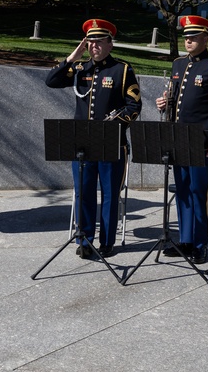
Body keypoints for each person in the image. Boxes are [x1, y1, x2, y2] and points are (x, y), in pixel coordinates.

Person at [45, 19, 142, 257]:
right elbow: (51, 81)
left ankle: (107, 242)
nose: (94, 46)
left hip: (111, 142)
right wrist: (73, 56)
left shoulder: (122, 70)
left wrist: (113, 126)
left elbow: (134, 106)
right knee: (83, 191)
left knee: (109, 194)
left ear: (110, 44)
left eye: (99, 42)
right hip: (81, 143)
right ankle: (84, 239)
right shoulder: (80, 69)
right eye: (90, 42)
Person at [155, 15, 208, 265]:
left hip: (202, 141)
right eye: (185, 36)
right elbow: (175, 98)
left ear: (205, 38)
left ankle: (200, 243)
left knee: (200, 193)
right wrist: (163, 101)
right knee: (183, 192)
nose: (188, 40)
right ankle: (186, 239)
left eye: (193, 37)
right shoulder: (179, 64)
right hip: (178, 138)